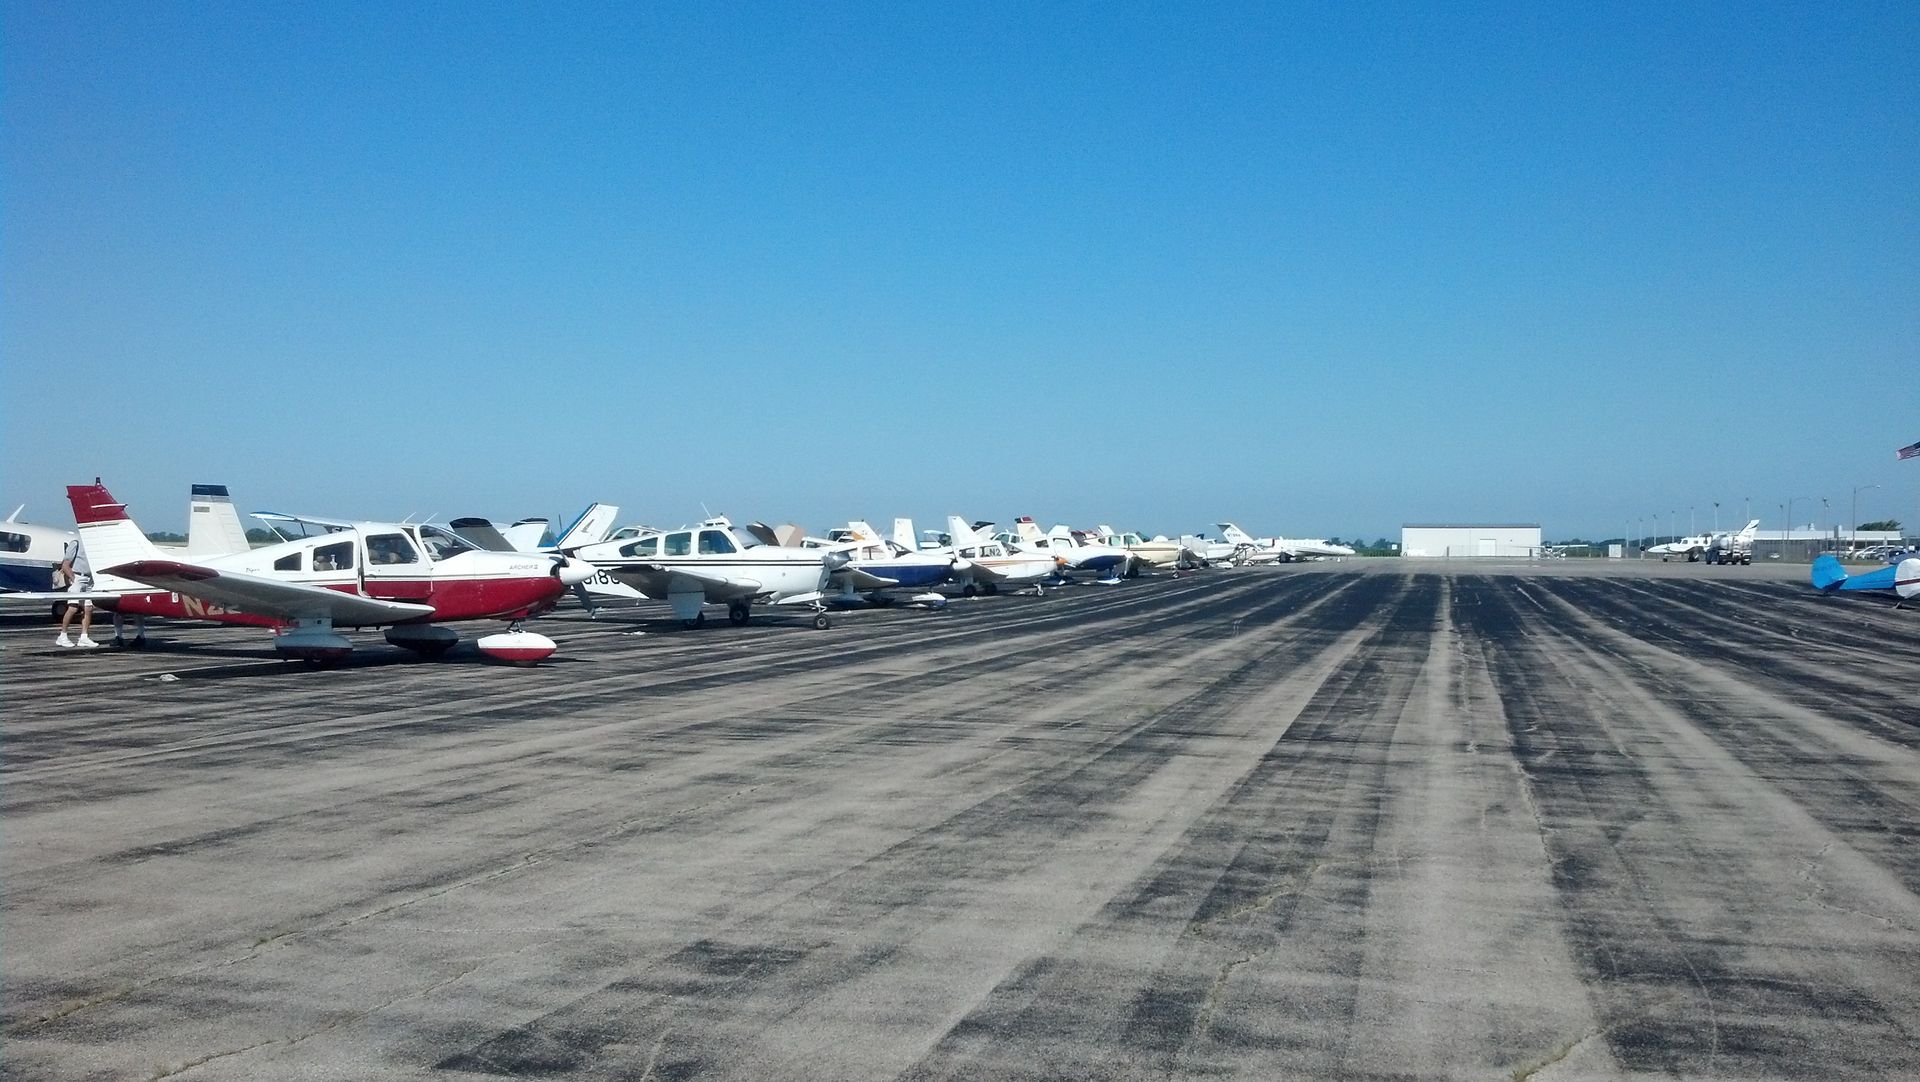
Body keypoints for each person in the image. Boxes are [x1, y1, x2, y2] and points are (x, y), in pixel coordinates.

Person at [55, 537, 98, 649]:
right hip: (78, 577)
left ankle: (84, 637)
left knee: (88, 608)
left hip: (89, 579)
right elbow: (65, 564)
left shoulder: (95, 544)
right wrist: (73, 578)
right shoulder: (76, 543)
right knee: (73, 608)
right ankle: (62, 636)